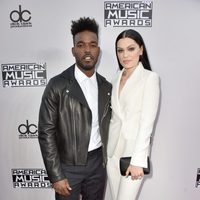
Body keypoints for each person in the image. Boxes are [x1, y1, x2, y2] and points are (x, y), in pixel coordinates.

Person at [38, 17, 112, 200]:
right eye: (81, 45)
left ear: (98, 50)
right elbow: (46, 132)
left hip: (97, 164)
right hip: (68, 166)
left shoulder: (106, 87)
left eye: (92, 45)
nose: (87, 50)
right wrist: (56, 175)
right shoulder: (57, 85)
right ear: (73, 50)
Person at [107, 29, 160, 200]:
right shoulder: (115, 79)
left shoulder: (150, 78)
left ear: (141, 50)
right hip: (112, 153)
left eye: (131, 49)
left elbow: (147, 123)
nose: (125, 55)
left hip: (133, 153)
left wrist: (138, 160)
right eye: (120, 50)